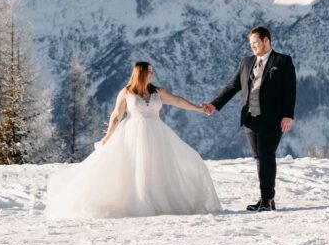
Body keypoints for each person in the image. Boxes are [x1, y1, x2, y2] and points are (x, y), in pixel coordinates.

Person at [45, 61, 222, 219]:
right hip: (133, 133)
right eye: (148, 72)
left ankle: (155, 199)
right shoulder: (127, 92)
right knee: (135, 167)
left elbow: (176, 100)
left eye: (152, 71)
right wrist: (108, 136)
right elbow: (116, 115)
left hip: (156, 133)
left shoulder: (157, 91)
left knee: (157, 166)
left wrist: (198, 109)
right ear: (140, 73)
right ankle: (137, 200)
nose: (152, 74)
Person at [201, 26, 295, 211]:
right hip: (250, 118)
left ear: (266, 40)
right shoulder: (246, 62)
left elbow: (290, 90)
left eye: (256, 43)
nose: (253, 47)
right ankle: (266, 198)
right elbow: (233, 86)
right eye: (251, 44)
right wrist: (215, 104)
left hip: (273, 119)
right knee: (259, 157)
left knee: (267, 156)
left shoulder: (282, 61)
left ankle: (267, 199)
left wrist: (288, 115)